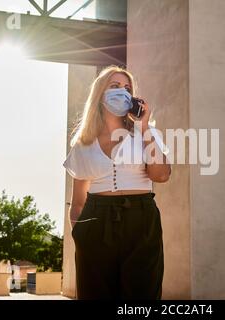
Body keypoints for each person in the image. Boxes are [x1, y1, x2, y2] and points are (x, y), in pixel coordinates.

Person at [63, 65, 171, 300]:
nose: (122, 91)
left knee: (142, 295)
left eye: (127, 88)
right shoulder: (83, 143)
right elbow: (78, 201)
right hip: (96, 221)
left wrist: (143, 127)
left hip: (141, 219)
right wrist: (80, 235)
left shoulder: (147, 133)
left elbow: (161, 175)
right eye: (114, 86)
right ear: (100, 94)